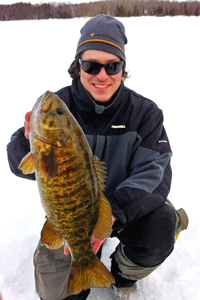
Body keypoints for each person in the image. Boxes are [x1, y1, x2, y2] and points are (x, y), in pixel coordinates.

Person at [7, 14, 188, 300]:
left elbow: (155, 173)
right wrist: (28, 141)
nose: (101, 75)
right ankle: (83, 266)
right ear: (77, 67)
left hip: (123, 209)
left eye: (112, 66)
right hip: (69, 218)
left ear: (122, 69)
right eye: (91, 65)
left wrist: (111, 213)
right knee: (58, 294)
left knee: (161, 224)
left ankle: (122, 273)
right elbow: (18, 162)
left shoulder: (145, 114)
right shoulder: (59, 106)